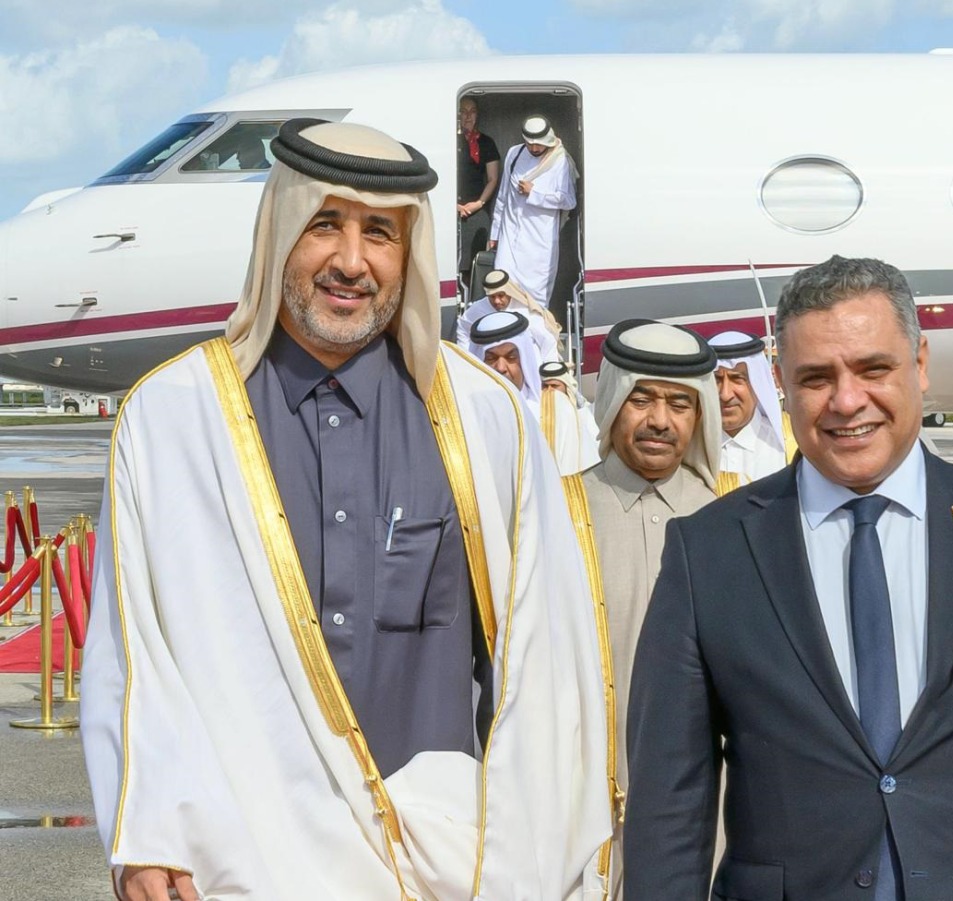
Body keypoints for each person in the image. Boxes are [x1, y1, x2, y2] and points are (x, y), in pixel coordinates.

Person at [81, 118, 612, 901]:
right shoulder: (172, 419)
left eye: (381, 234)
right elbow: (132, 654)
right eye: (324, 224)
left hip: (442, 868)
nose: (352, 261)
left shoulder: (485, 418)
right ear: (278, 234)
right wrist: (147, 830)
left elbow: (546, 663)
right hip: (242, 859)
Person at [624, 256, 953, 900]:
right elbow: (668, 794)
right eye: (816, 377)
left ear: (919, 364)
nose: (846, 400)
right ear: (780, 380)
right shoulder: (709, 550)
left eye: (873, 369)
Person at [562, 319, 723, 901]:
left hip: (712, 806)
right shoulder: (555, 509)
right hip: (579, 801)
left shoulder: (735, 515)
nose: (661, 421)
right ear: (611, 403)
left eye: (680, 403)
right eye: (642, 399)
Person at [469, 311, 595, 476]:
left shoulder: (556, 411)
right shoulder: (466, 416)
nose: (500, 368)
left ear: (525, 359)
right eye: (491, 358)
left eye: (511, 357)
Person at [488, 115, 578, 306]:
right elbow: (503, 196)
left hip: (539, 243)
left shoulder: (560, 161)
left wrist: (534, 193)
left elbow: (568, 201)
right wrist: (495, 233)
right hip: (509, 237)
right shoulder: (515, 154)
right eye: (530, 144)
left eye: (538, 144)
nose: (534, 148)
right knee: (503, 289)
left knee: (534, 299)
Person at [708, 330, 788, 482]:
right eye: (716, 380)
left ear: (758, 383)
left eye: (737, 378)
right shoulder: (689, 448)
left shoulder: (790, 442)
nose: (725, 394)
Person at [456, 267, 562, 362]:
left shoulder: (525, 310)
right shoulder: (479, 308)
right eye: (492, 297)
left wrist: (549, 371)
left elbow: (547, 340)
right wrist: (467, 357)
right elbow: (463, 327)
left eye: (501, 295)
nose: (497, 301)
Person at [456, 97, 500, 281]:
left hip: (476, 208)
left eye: (472, 111)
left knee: (476, 264)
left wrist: (478, 203)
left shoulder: (486, 142)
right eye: (463, 111)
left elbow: (493, 179)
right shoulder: (448, 140)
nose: (467, 116)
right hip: (452, 208)